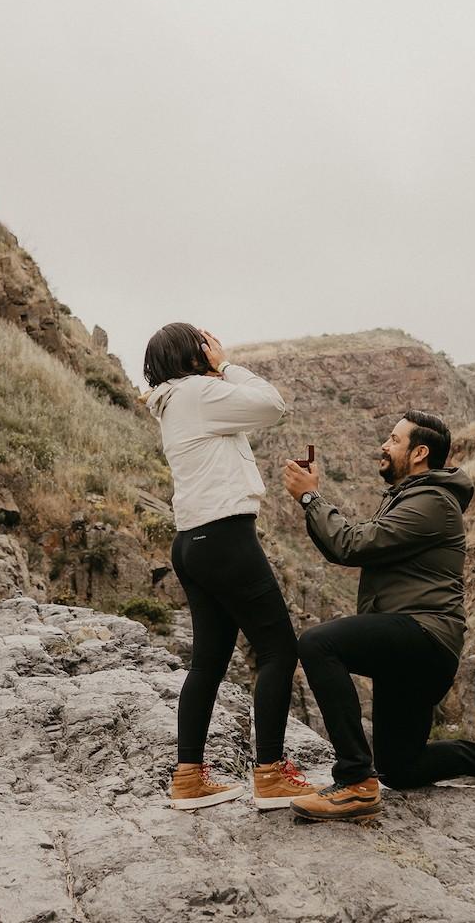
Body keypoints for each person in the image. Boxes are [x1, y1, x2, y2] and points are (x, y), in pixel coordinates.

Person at [280, 410, 475, 822]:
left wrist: (311, 498)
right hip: (415, 647)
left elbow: (352, 545)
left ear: (419, 453)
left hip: (422, 636)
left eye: (394, 439)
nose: (384, 446)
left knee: (319, 643)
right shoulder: (413, 497)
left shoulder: (433, 503)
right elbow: (345, 548)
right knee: (401, 767)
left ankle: (355, 781)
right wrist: (312, 504)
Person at [142, 323, 317, 811]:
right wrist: (224, 365)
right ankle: (270, 774)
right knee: (279, 649)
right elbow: (271, 405)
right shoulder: (199, 391)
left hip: (191, 540)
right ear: (193, 354)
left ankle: (189, 777)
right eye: (203, 343)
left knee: (208, 663)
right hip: (223, 535)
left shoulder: (174, 401)